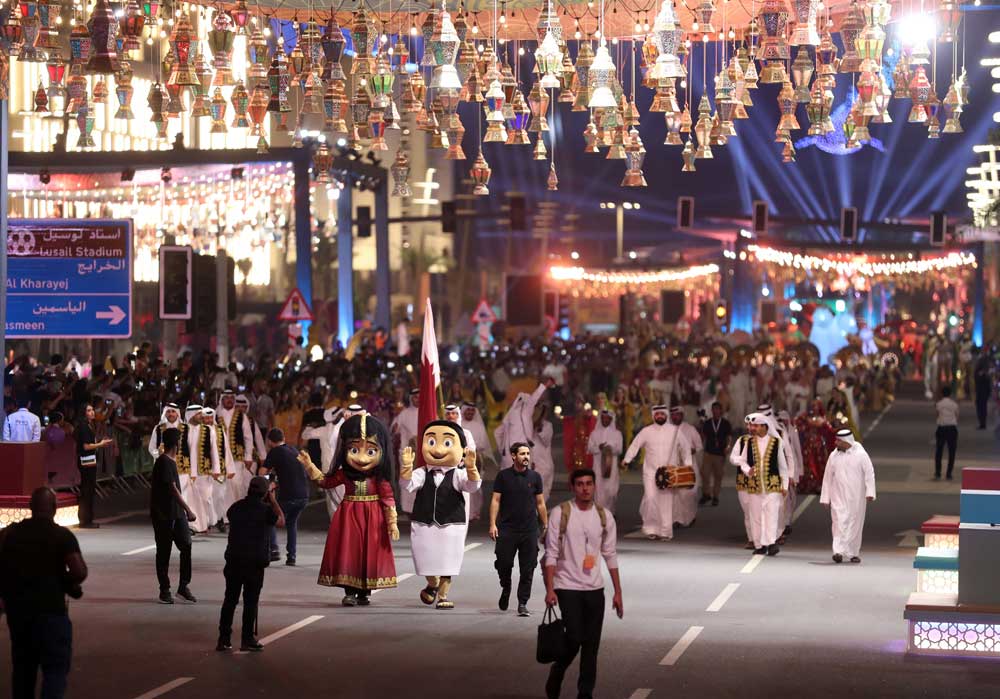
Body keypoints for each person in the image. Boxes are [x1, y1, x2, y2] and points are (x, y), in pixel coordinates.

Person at [0, 487, 88, 699]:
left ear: (30, 507)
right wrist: (65, 582)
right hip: (51, 612)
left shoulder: (10, 534)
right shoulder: (61, 535)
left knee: (22, 670)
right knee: (55, 671)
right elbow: (78, 570)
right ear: (55, 509)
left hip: (19, 614)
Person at [543, 469, 623, 699]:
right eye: (580, 484)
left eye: (589, 484)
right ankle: (558, 670)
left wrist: (618, 592)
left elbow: (610, 555)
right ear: (572, 487)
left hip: (595, 589)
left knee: (591, 646)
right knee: (576, 637)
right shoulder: (560, 513)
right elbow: (551, 554)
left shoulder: (604, 516)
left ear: (594, 486)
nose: (585, 488)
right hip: (567, 586)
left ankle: (585, 693)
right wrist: (550, 589)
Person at [315, 413, 399, 606]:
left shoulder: (378, 478)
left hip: (374, 517)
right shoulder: (345, 474)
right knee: (349, 551)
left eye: (370, 451)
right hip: (349, 516)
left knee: (369, 552)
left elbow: (387, 498)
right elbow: (326, 482)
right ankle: (350, 592)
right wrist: (310, 467)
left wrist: (392, 522)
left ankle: (364, 592)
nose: (361, 458)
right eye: (354, 449)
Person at [402, 420, 482, 610]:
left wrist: (471, 468)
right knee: (426, 559)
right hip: (424, 523)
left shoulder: (458, 474)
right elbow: (407, 485)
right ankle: (432, 584)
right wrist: (406, 468)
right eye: (431, 442)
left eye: (446, 443)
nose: (438, 449)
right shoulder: (422, 472)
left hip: (450, 525)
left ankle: (443, 595)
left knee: (448, 561)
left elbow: (473, 486)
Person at [216, 477, 285, 652]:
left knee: (230, 600)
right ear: (264, 493)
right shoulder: (266, 510)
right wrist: (273, 499)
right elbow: (281, 521)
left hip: (234, 560)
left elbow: (231, 517)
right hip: (254, 563)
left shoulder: (236, 508)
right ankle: (247, 638)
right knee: (250, 602)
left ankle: (223, 639)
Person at [489, 442, 547, 617]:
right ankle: (506, 587)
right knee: (504, 563)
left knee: (528, 567)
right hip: (507, 529)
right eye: (522, 454)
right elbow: (495, 501)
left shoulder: (535, 477)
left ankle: (523, 602)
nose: (526, 457)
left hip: (529, 529)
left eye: (528, 453)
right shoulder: (503, 477)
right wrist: (493, 524)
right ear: (513, 456)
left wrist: (545, 524)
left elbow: (540, 503)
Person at [622, 404, 692, 541]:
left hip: (669, 472)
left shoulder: (675, 430)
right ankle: (651, 528)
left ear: (666, 415)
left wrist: (688, 465)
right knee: (650, 498)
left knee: (666, 502)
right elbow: (635, 444)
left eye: (662, 414)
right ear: (654, 416)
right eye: (657, 414)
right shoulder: (646, 431)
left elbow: (685, 447)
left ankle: (665, 532)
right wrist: (627, 459)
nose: (659, 416)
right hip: (650, 472)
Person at [150, 428, 198, 605]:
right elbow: (172, 489)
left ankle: (183, 586)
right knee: (164, 552)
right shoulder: (163, 462)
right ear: (176, 444)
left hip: (176, 514)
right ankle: (164, 589)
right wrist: (188, 509)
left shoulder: (170, 461)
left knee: (186, 545)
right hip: (163, 515)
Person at [730, 413, 789, 556]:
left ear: (764, 427)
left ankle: (771, 543)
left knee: (772, 514)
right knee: (755, 515)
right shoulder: (749, 442)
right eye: (753, 426)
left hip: (772, 485)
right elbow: (742, 460)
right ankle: (759, 545)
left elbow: (783, 467)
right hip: (754, 485)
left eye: (756, 426)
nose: (753, 428)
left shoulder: (776, 442)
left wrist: (785, 486)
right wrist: (746, 470)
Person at [820, 429, 877, 564]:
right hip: (838, 496)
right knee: (838, 522)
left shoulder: (861, 455)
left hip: (856, 497)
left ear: (846, 441)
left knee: (855, 524)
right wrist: (825, 497)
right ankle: (838, 551)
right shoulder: (833, 456)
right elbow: (827, 477)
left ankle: (853, 553)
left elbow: (870, 474)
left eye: (838, 440)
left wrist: (870, 492)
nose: (835, 442)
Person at [259, 428, 310, 566]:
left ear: (269, 441)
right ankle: (291, 557)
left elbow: (262, 472)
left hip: (289, 496)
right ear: (284, 438)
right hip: (304, 495)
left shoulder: (275, 451)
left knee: (269, 518)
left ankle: (273, 549)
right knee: (292, 523)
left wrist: (268, 484)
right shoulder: (293, 450)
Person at [76, 403, 113, 529]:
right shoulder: (83, 427)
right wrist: (100, 444)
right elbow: (86, 446)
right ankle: (85, 520)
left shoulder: (89, 425)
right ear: (84, 413)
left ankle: (87, 518)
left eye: (92, 410)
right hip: (86, 460)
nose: (92, 412)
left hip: (90, 459)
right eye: (89, 410)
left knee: (89, 490)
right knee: (87, 490)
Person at [587, 410, 623, 513]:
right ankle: (601, 514)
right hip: (598, 467)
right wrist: (599, 447)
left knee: (612, 492)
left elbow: (619, 450)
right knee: (599, 492)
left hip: (612, 468)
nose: (605, 420)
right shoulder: (594, 433)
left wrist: (609, 448)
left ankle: (611, 511)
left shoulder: (617, 434)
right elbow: (589, 448)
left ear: (611, 420)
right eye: (603, 418)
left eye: (607, 418)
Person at [391, 389, 420, 513]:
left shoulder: (429, 412)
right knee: (407, 479)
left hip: (424, 453)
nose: (417, 399)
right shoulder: (404, 413)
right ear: (411, 398)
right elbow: (393, 430)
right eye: (415, 397)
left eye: (420, 397)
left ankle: (421, 506)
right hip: (407, 452)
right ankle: (407, 509)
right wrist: (395, 422)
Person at [699, 402, 732, 507]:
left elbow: (729, 437)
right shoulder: (708, 423)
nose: (716, 411)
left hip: (720, 453)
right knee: (704, 473)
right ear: (712, 411)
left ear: (721, 411)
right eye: (714, 409)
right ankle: (706, 493)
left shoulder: (726, 423)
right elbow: (703, 436)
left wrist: (728, 447)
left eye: (717, 409)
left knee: (718, 476)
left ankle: (715, 497)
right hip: (708, 452)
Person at [934, 386, 959, 480]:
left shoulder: (939, 404)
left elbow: (937, 415)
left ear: (942, 393)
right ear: (950, 394)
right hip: (952, 429)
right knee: (952, 452)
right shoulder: (954, 404)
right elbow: (957, 416)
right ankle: (949, 473)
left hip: (941, 428)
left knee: (939, 451)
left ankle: (938, 473)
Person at [973, 352, 992, 430]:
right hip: (983, 391)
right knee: (982, 407)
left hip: (981, 391)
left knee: (981, 407)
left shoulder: (982, 372)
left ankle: (982, 423)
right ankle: (982, 423)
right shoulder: (987, 371)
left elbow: (977, 378)